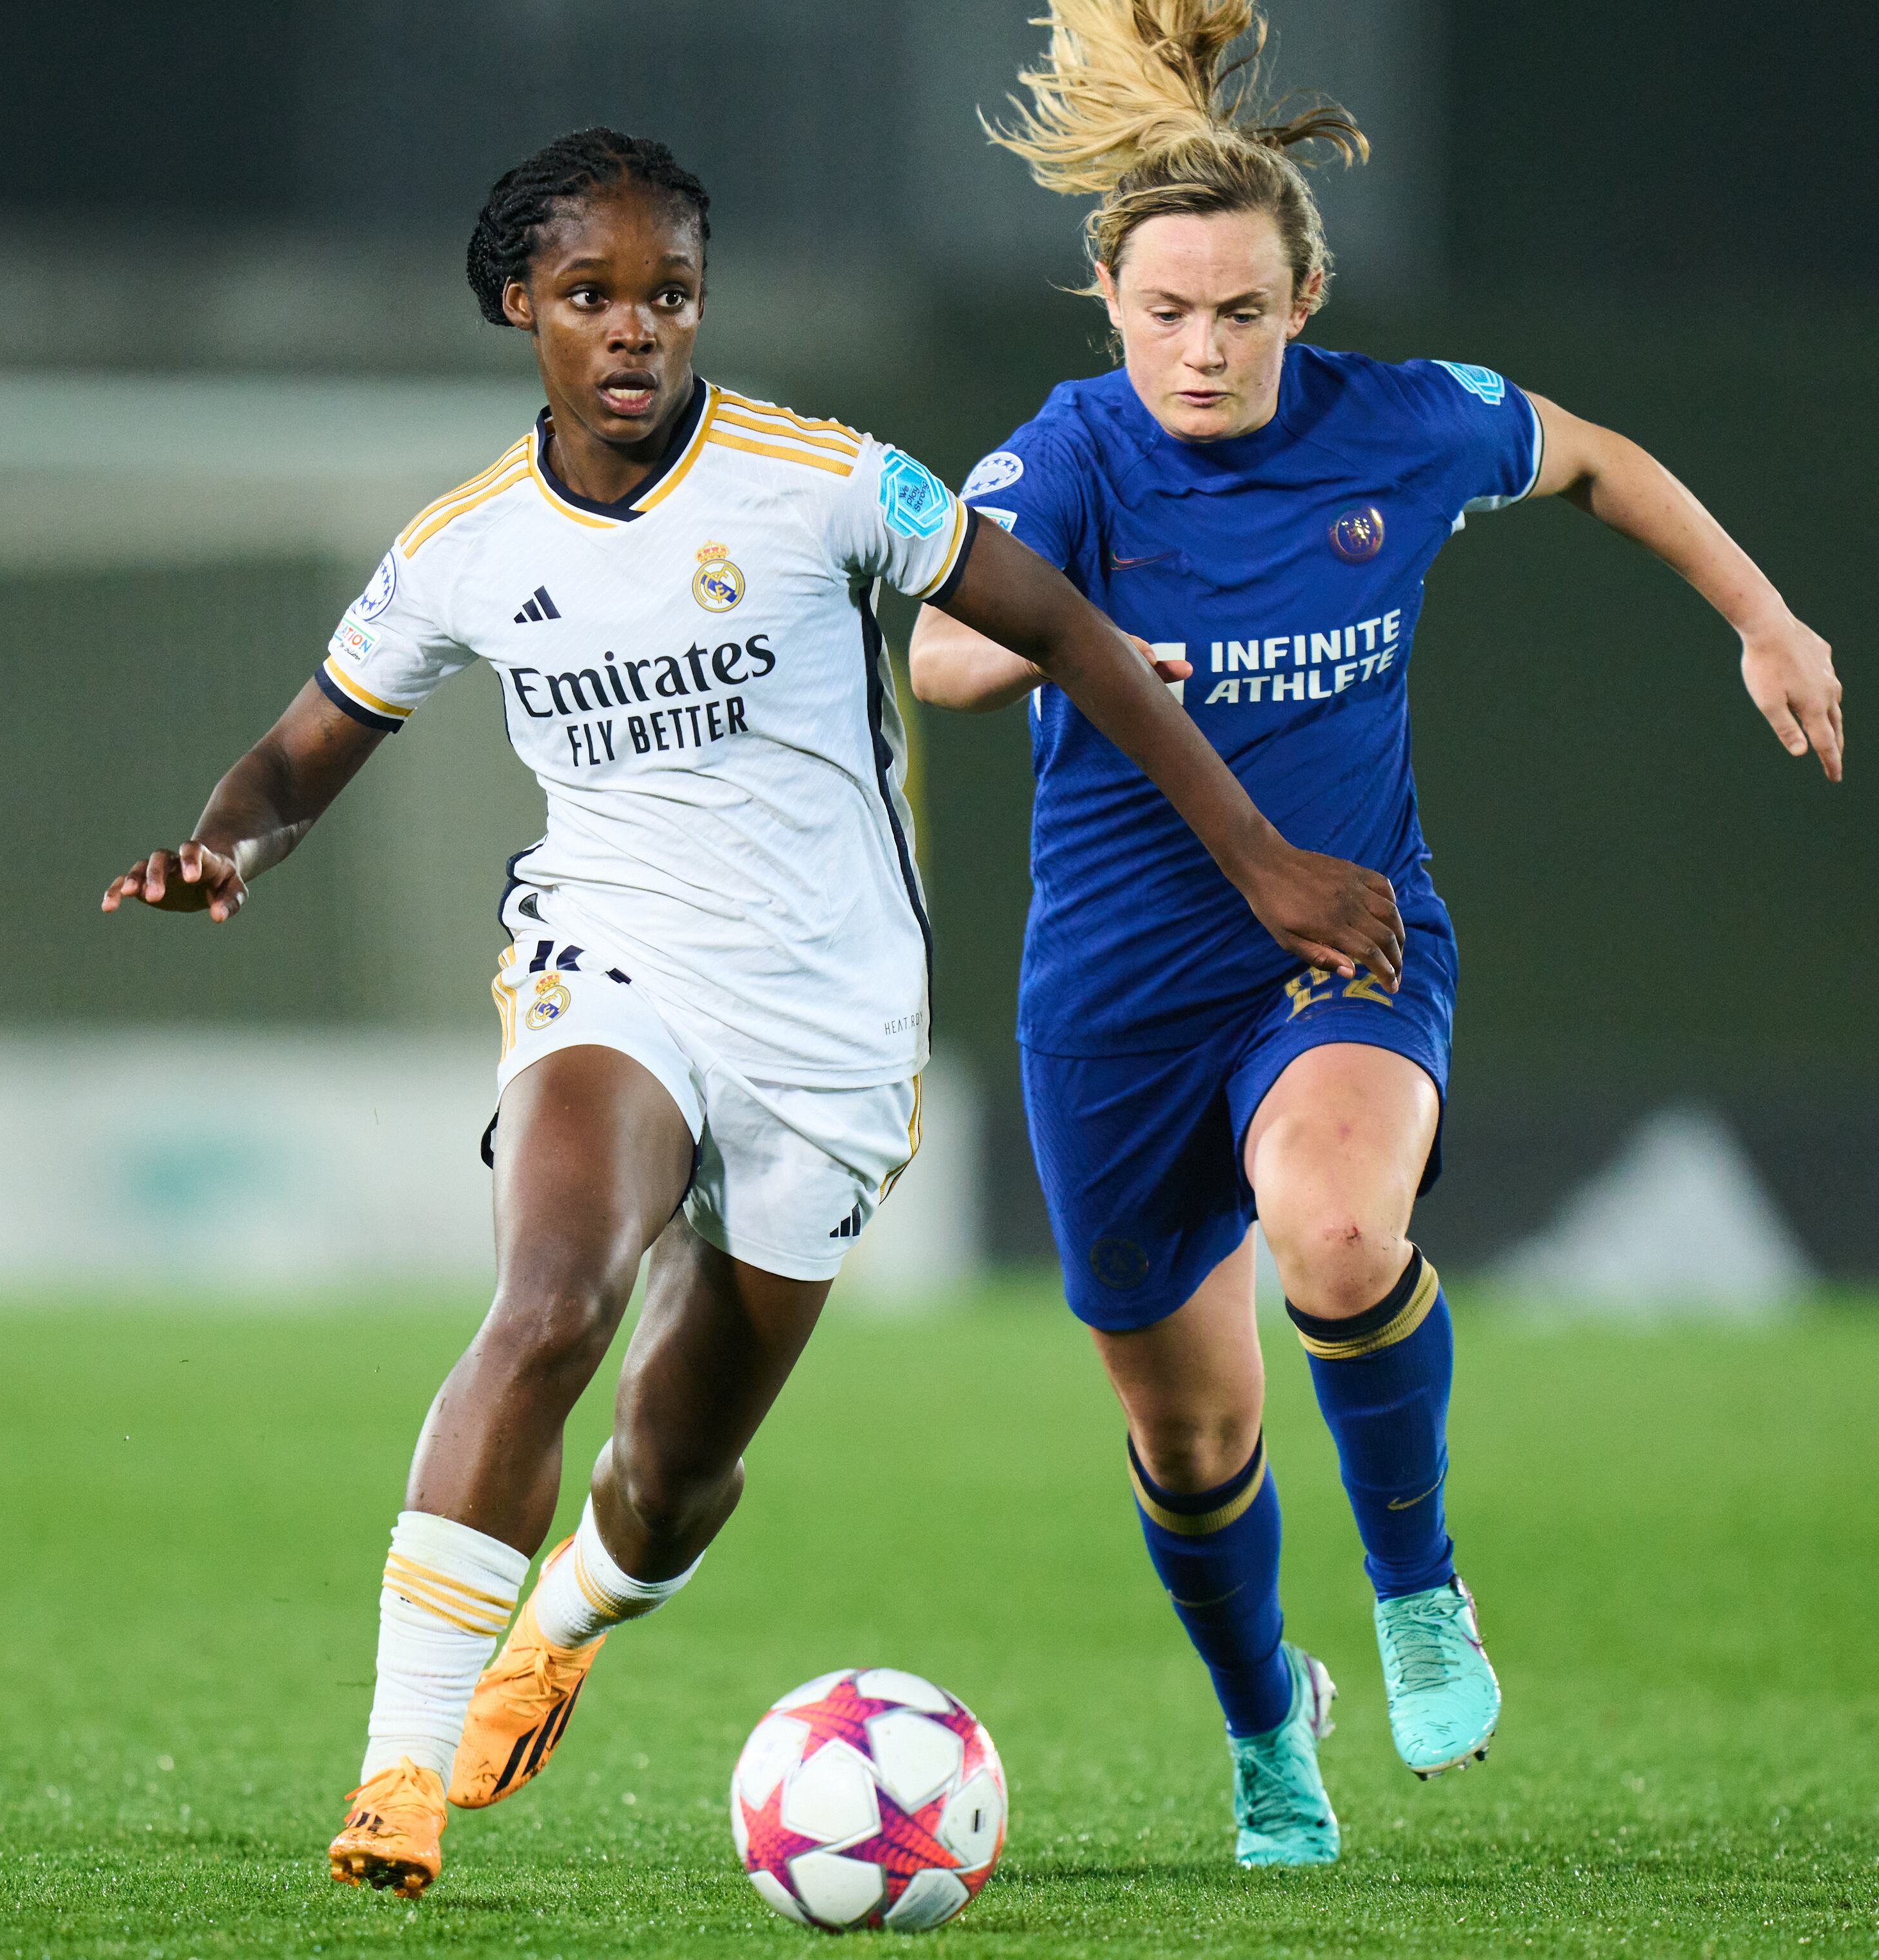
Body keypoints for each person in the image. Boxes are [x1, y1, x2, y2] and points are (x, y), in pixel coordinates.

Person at [101, 125, 1398, 1899]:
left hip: (832, 1026)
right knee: (552, 1301)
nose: (635, 332)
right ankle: (397, 1772)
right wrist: (223, 848)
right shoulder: (466, 549)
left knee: (671, 1473)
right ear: (521, 308)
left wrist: (1260, 865)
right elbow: (309, 744)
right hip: (610, 965)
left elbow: (1076, 636)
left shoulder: (832, 482)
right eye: (590, 297)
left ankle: (569, 1619)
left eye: (670, 296)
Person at [907, 0, 1846, 1868]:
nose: (1204, 346)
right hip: (1113, 1003)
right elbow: (939, 650)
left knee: (1336, 1238)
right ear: (1111, 306)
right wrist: (1069, 644)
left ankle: (1417, 1587)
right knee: (1190, 1438)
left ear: (1302, 304)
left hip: (1336, 946)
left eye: (1243, 310)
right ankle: (1271, 1724)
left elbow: (1598, 459)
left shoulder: (1402, 432)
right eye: (1166, 312)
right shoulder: (1066, 458)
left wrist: (1764, 618)